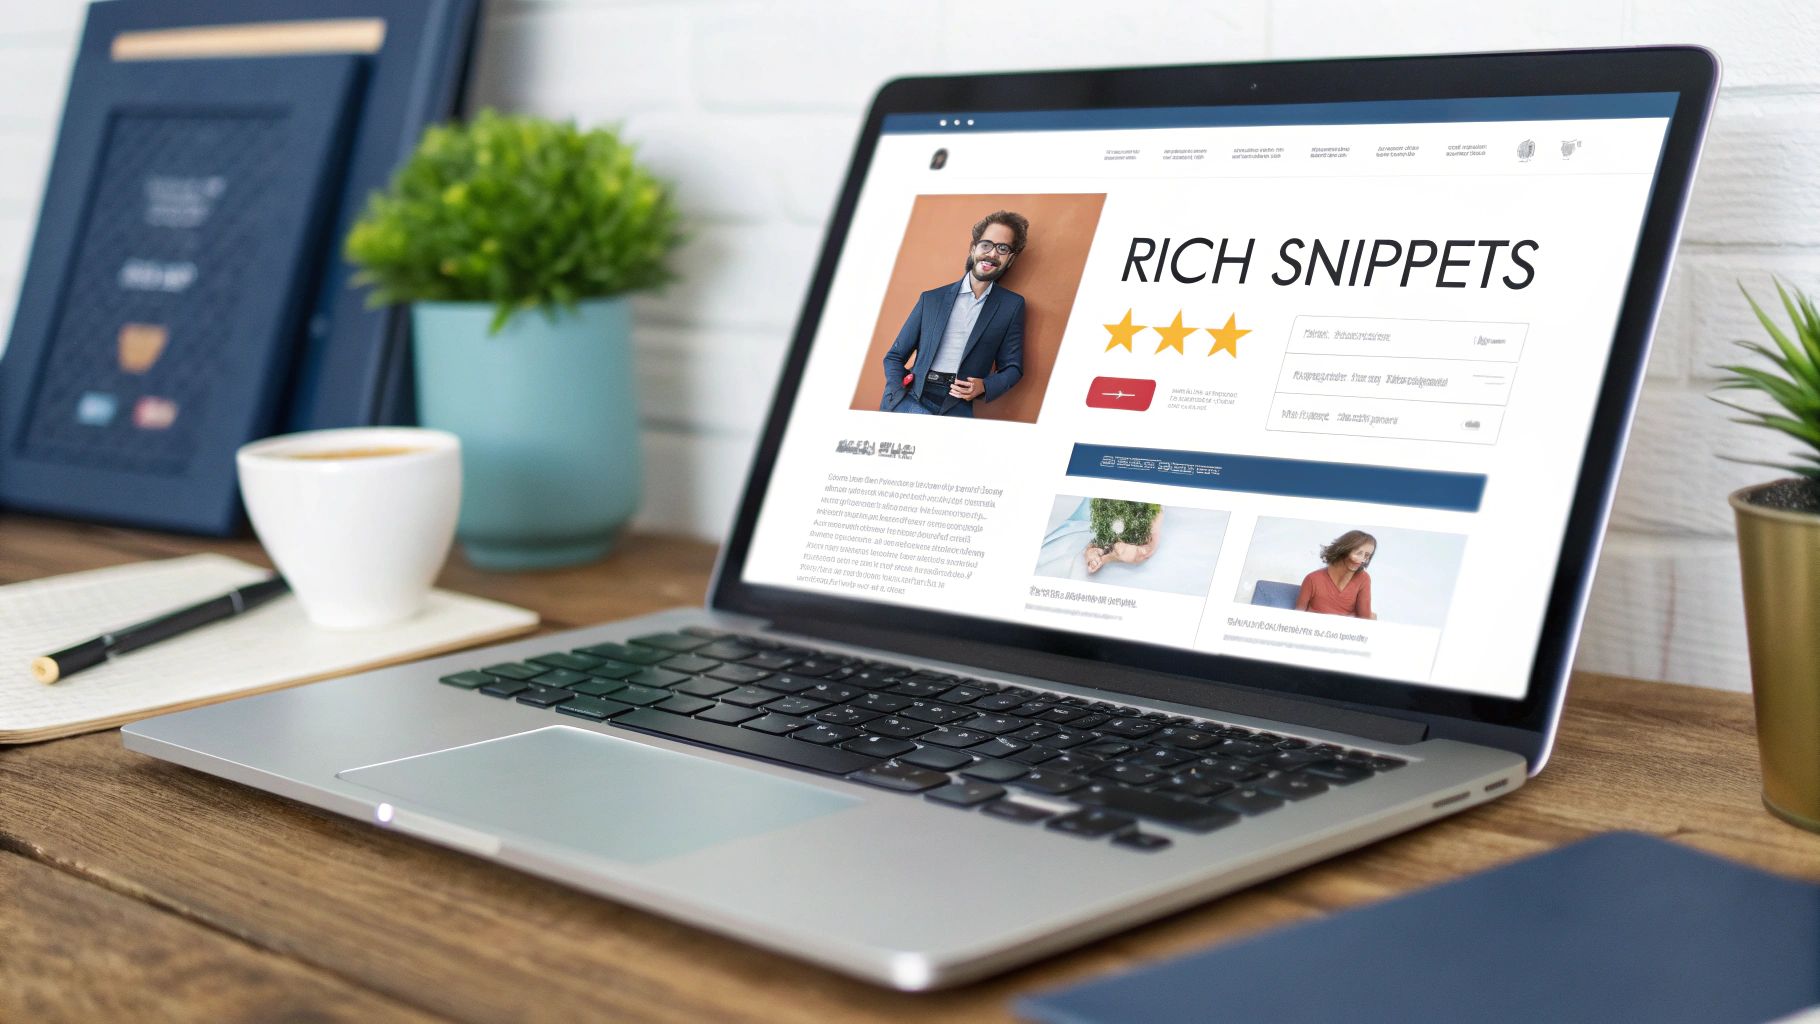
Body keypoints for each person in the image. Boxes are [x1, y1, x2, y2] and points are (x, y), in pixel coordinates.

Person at [879, 211, 1028, 417]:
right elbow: (894, 356)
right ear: (973, 248)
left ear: (1010, 258)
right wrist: (897, 394)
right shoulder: (931, 299)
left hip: (957, 407)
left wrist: (985, 385)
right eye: (986, 244)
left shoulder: (1012, 305)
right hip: (912, 400)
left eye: (1002, 248)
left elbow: (1013, 368)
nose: (992, 254)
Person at [1296, 530, 1377, 619]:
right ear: (1344, 550)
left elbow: (1364, 619)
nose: (1362, 559)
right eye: (1358, 553)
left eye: (1367, 555)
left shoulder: (1363, 578)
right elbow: (1298, 616)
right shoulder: (1312, 579)